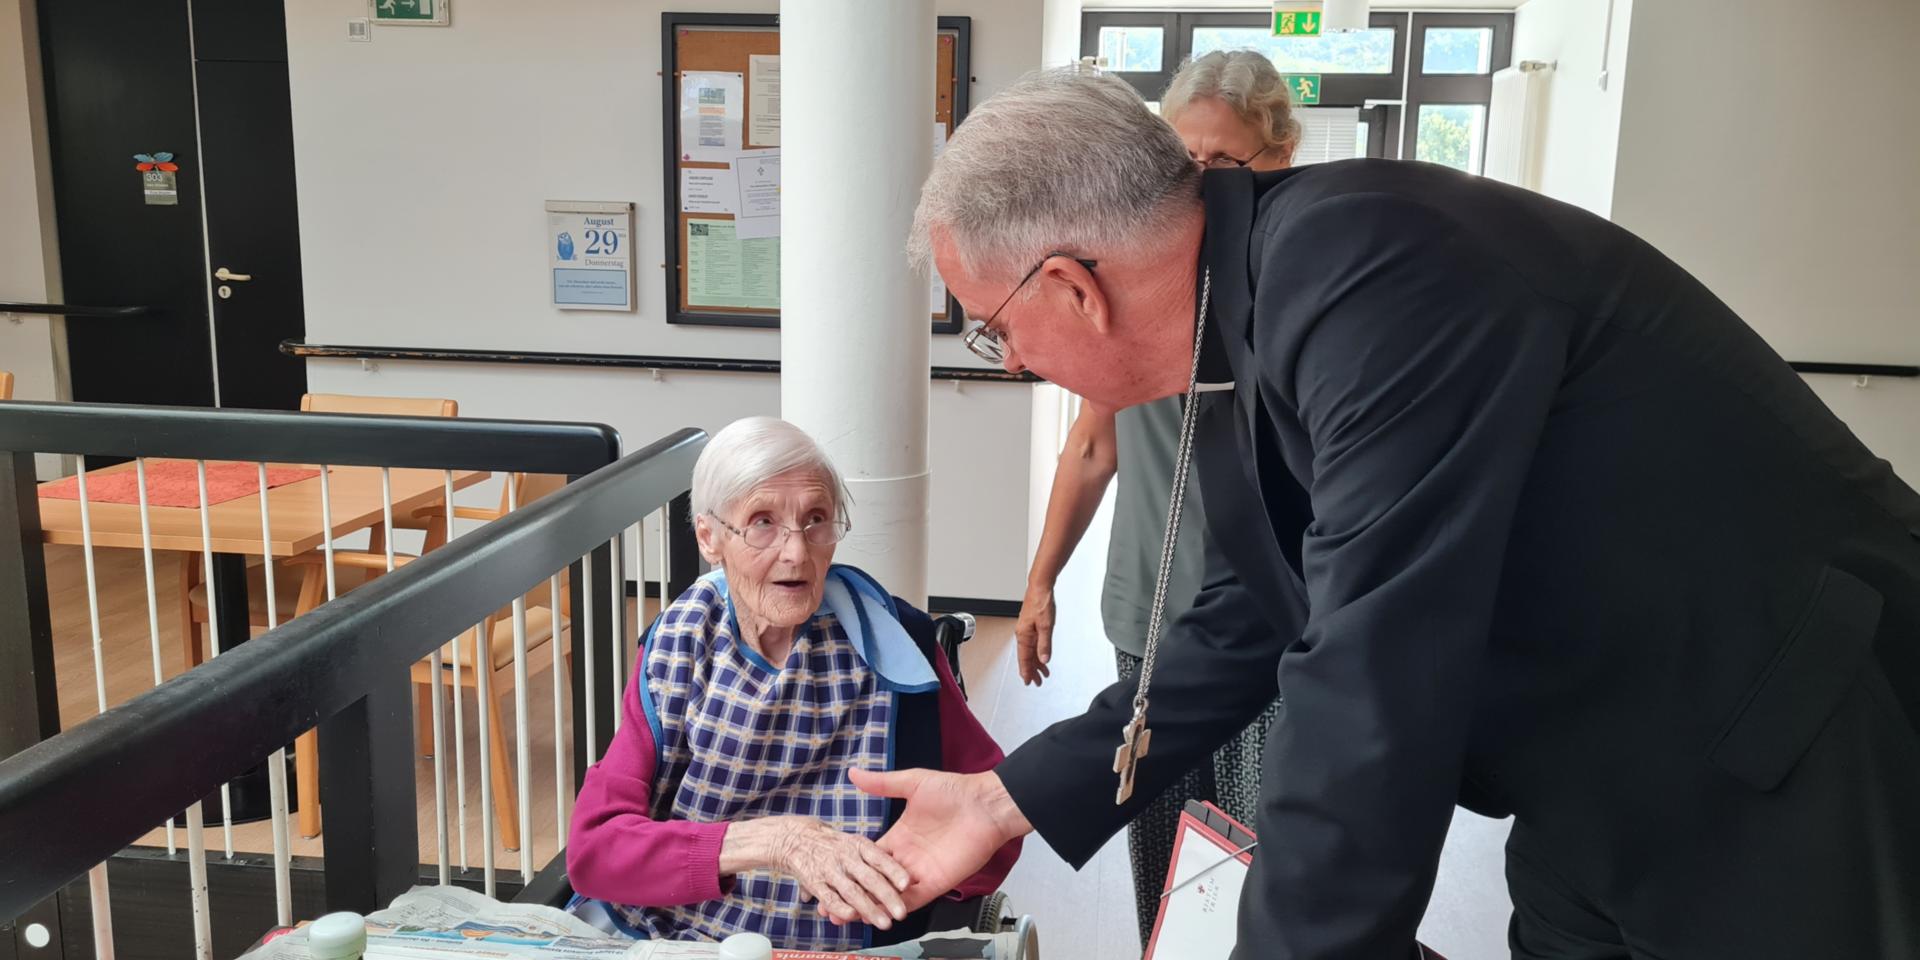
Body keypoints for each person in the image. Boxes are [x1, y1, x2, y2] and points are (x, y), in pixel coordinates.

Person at [849, 67, 1920, 958]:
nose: (1016, 361)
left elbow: (1370, 670)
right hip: (1594, 771)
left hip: (1774, 741)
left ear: (1074, 288)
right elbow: (1253, 616)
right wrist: (1007, 800)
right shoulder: (1241, 317)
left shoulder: (1375, 270)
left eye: (995, 329)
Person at [1014, 48, 1296, 947]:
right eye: (1186, 164)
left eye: (1225, 162)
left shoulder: (1292, 292)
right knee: (1164, 845)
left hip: (1269, 629)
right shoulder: (1136, 285)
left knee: (1258, 852)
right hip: (1150, 612)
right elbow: (1093, 445)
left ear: (1280, 153)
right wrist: (1040, 580)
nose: (1202, 183)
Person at [567, 417, 1019, 951]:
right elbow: (595, 852)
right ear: (710, 538)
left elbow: (992, 818)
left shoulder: (900, 645)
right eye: (762, 522)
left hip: (852, 939)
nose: (797, 553)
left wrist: (902, 878)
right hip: (686, 934)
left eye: (816, 519)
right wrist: (777, 840)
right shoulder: (678, 643)